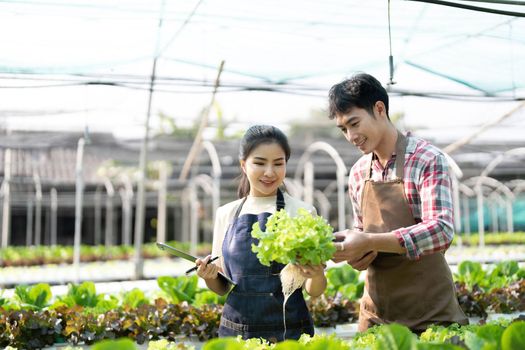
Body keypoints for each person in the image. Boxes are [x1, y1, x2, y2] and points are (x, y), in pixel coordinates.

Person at [328, 73, 468, 333]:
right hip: (377, 315)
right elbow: (362, 230)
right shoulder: (359, 172)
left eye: (354, 123)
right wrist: (355, 252)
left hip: (430, 315)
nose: (350, 135)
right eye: (344, 129)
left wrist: (369, 241)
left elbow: (440, 230)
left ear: (379, 109)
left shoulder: (427, 159)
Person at [195, 125, 327, 342]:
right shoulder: (226, 213)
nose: (269, 172)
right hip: (237, 332)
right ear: (243, 165)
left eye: (278, 163)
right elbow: (222, 287)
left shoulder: (303, 212)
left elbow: (314, 290)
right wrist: (209, 276)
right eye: (259, 163)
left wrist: (317, 274)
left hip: (291, 332)